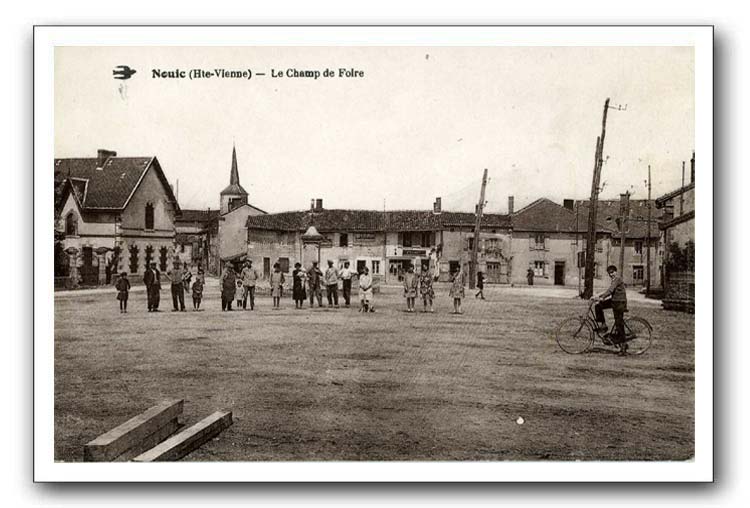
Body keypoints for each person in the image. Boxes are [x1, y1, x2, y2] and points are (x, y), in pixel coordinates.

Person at [591, 264, 629, 355]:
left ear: (616, 272)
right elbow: (609, 290)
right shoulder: (614, 280)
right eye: (609, 273)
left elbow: (610, 291)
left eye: (612, 272)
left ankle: (623, 347)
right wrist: (598, 296)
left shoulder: (618, 279)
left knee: (619, 324)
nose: (611, 274)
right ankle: (603, 325)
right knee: (598, 306)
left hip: (619, 303)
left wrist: (601, 297)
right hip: (614, 301)